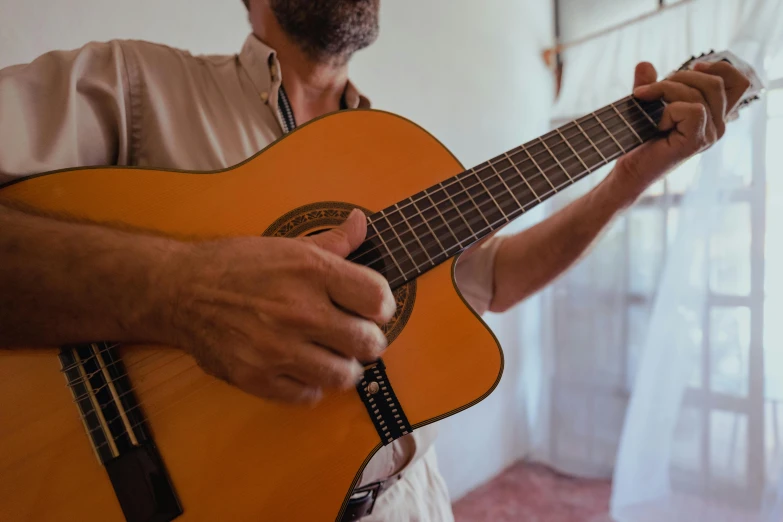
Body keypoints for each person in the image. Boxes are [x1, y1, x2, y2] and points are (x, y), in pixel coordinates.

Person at [0, 0, 750, 520]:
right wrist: (176, 290)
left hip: (409, 502)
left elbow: (493, 278)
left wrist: (625, 180)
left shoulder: (396, 154)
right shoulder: (132, 87)